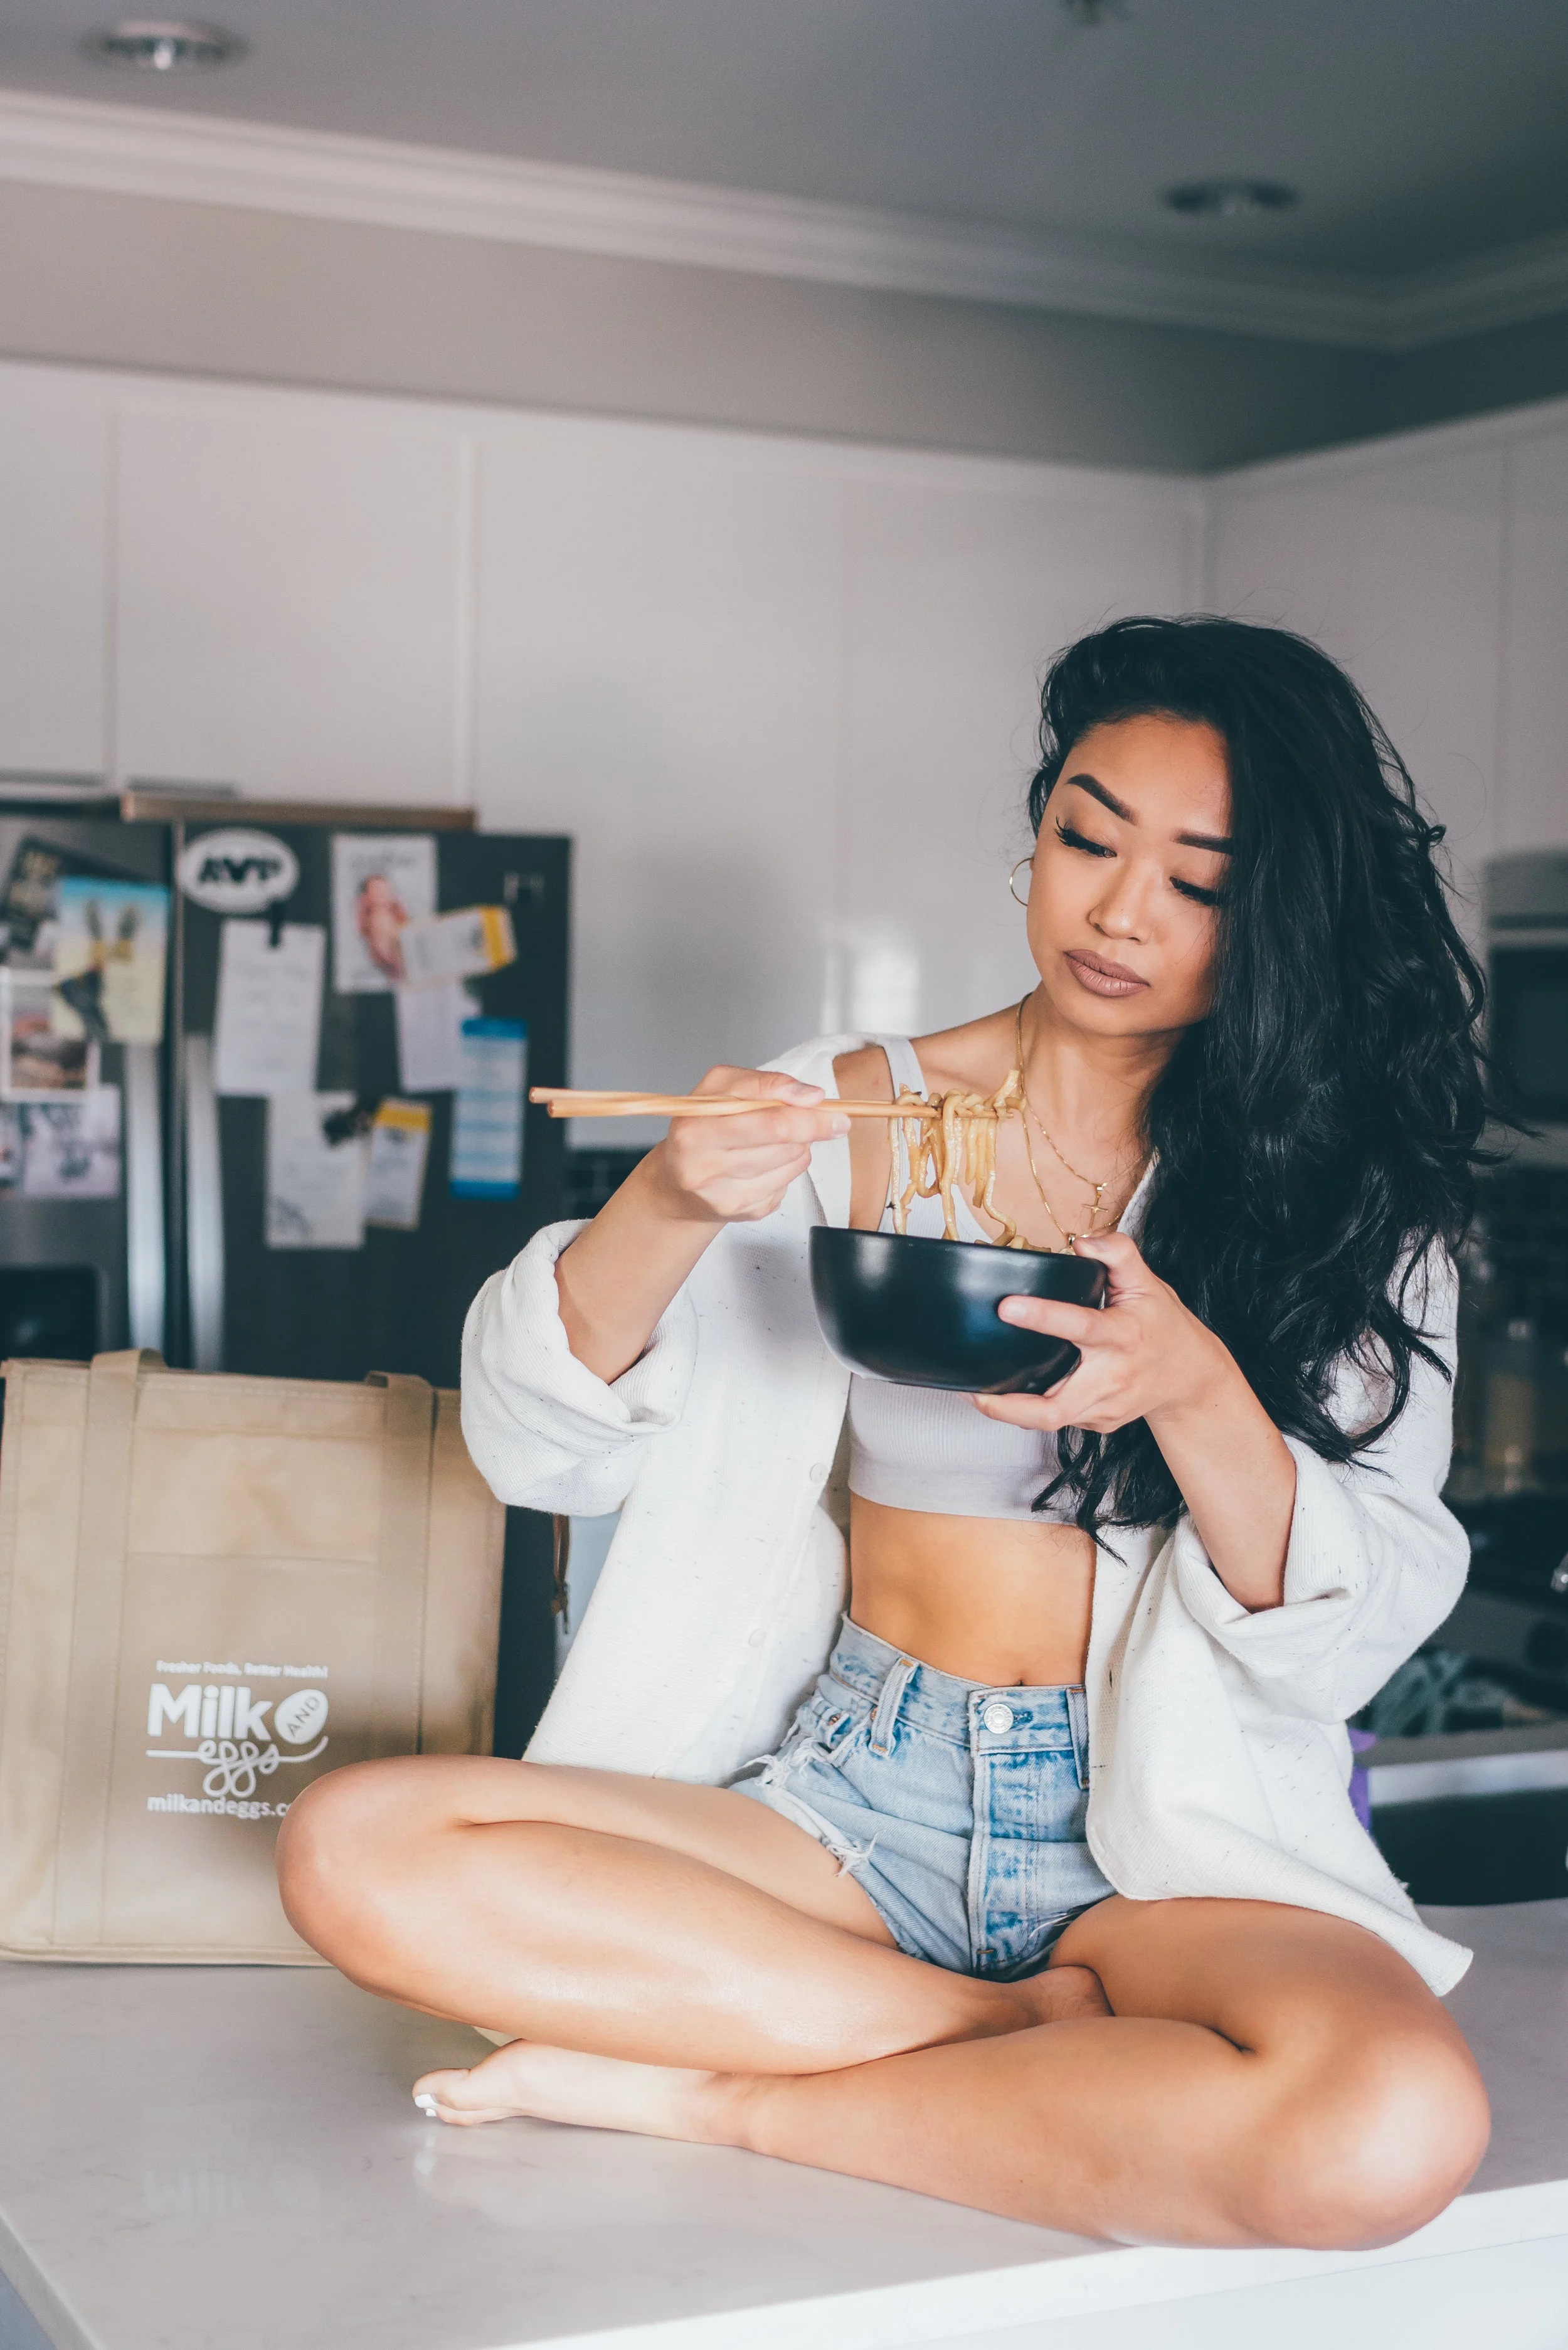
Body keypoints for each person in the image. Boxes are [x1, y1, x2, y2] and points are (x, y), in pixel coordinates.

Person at [278, 616, 1495, 2250]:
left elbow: (1335, 1644)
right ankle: (1015, 2049)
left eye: (1198, 881)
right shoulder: (849, 1110)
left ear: (1277, 917)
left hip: (1164, 1834)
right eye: (1086, 837)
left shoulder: (1345, 1203)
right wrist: (664, 1195)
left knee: (1386, 2125)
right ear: (1034, 842)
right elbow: (539, 1452)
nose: (1119, 910)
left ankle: (722, 2087)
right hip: (851, 1798)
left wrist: (1192, 1384)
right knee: (357, 1850)